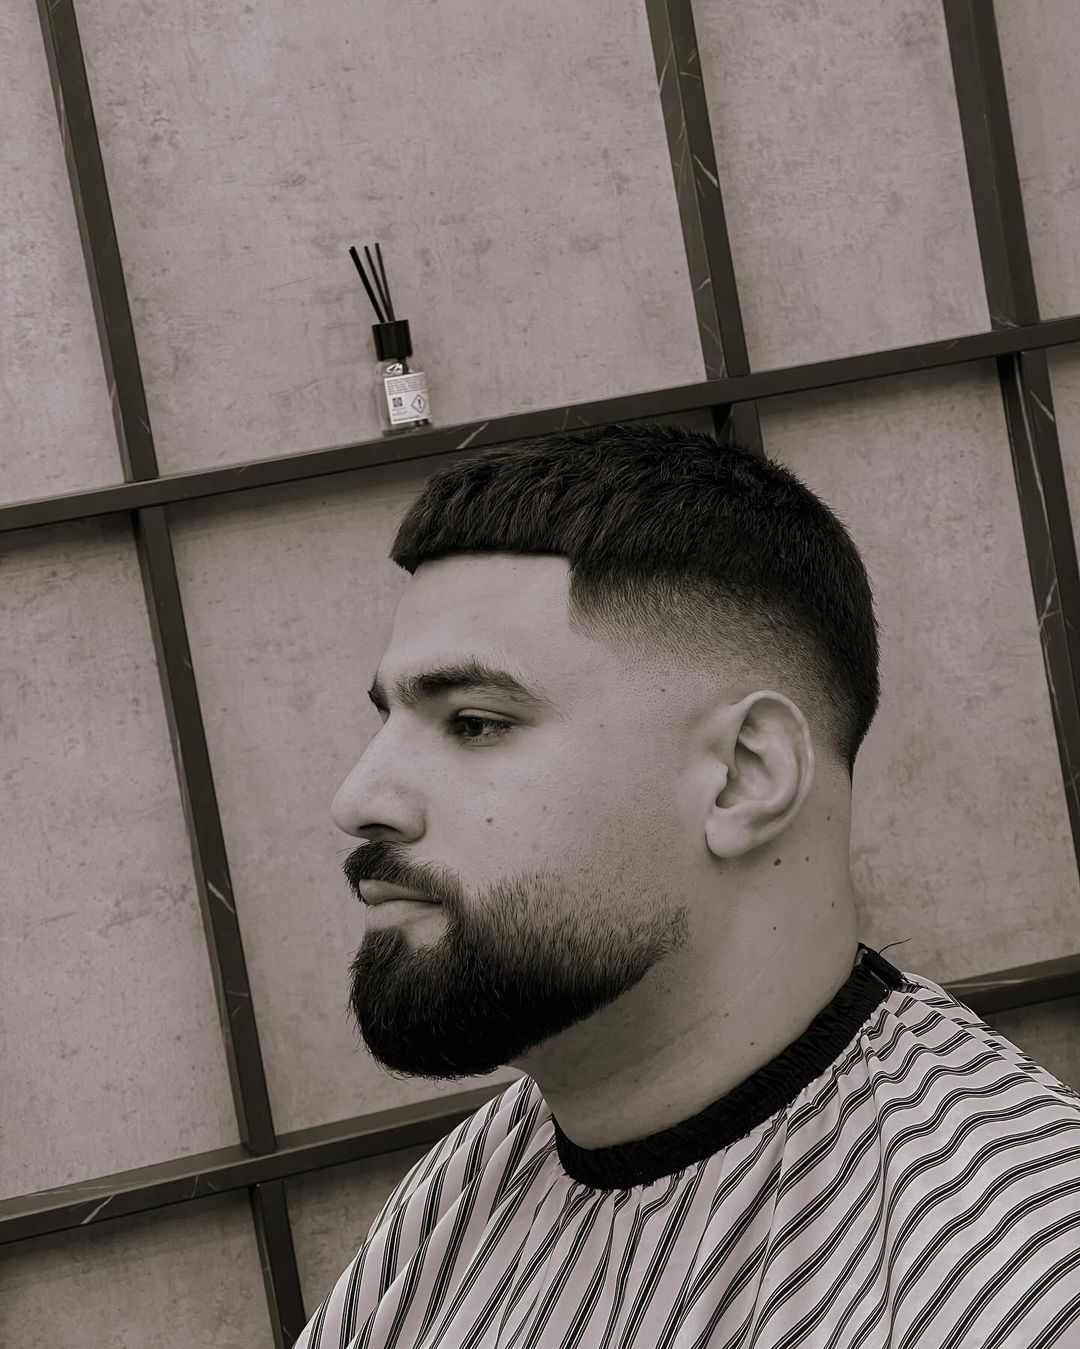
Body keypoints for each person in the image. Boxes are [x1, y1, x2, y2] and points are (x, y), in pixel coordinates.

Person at [296, 421, 1080, 1348]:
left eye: (473, 722)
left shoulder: (1024, 1284)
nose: (358, 799)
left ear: (746, 775)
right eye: (388, 720)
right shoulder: (465, 1189)